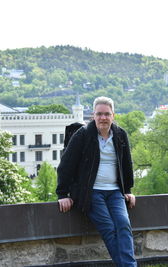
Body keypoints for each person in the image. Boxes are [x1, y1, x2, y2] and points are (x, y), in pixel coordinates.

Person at [56, 96, 137, 266]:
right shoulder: (83, 135)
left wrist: (127, 190)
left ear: (113, 115)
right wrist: (62, 194)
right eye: (99, 114)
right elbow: (66, 165)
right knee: (108, 228)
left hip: (115, 192)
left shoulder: (120, 135)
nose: (103, 118)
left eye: (107, 114)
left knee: (123, 225)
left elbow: (126, 164)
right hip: (91, 193)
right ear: (93, 115)